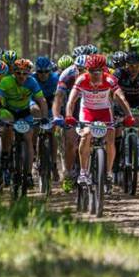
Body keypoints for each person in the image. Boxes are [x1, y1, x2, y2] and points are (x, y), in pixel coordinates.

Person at [64, 54, 135, 189]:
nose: (96, 74)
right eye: (92, 71)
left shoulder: (110, 79)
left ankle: (108, 172)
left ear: (104, 70)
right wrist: (68, 115)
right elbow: (71, 101)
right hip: (87, 112)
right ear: (87, 70)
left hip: (104, 112)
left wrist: (129, 116)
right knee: (86, 135)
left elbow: (121, 98)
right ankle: (83, 172)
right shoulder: (81, 80)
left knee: (110, 139)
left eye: (99, 71)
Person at [0, 58, 49, 189]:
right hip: (8, 110)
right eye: (18, 73)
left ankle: (28, 174)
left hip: (24, 112)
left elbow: (42, 100)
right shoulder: (6, 81)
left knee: (28, 138)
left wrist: (45, 117)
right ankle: (5, 155)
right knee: (8, 127)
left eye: (25, 73)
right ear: (14, 73)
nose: (21, 76)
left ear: (28, 74)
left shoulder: (32, 82)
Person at [53, 54, 86, 190]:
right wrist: (56, 115)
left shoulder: (99, 74)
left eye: (86, 69)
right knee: (71, 143)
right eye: (79, 69)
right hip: (71, 108)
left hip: (89, 107)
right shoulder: (67, 74)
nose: (82, 72)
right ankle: (68, 174)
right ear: (75, 67)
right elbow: (59, 97)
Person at [34, 56, 61, 182]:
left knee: (52, 132)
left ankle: (54, 164)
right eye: (40, 72)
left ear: (50, 71)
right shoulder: (32, 78)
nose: (43, 74)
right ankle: (34, 154)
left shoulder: (55, 78)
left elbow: (60, 96)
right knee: (33, 128)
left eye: (46, 71)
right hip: (36, 106)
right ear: (36, 71)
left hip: (51, 106)